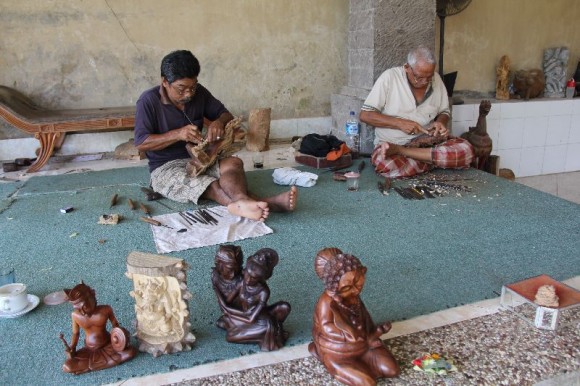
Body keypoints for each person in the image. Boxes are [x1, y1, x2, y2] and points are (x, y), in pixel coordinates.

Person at [134, 50, 297, 221]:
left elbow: (225, 114)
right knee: (207, 183)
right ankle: (264, 203)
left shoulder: (199, 93)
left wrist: (217, 122)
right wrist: (178, 134)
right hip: (165, 167)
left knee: (233, 163)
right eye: (181, 89)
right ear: (165, 82)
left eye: (193, 86)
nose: (189, 94)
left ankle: (242, 203)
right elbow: (141, 143)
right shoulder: (148, 101)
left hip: (202, 159)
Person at [359, 46, 474, 178]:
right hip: (392, 145)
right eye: (419, 77)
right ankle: (435, 160)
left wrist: (440, 122)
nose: (425, 82)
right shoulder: (389, 78)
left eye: (429, 77)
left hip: (426, 142)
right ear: (407, 67)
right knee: (384, 165)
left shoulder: (437, 80)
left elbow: (444, 111)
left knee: (467, 150)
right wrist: (399, 123)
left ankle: (414, 158)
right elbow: (365, 115)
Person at [309, 248, 399, 386]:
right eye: (347, 288)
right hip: (339, 353)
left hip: (365, 345)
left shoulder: (354, 297)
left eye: (358, 281)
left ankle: (366, 362)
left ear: (363, 271)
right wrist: (347, 334)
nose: (356, 290)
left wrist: (375, 332)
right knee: (367, 383)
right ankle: (327, 360)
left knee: (392, 370)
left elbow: (365, 319)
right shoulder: (326, 302)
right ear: (334, 288)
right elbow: (326, 325)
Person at [217, 248, 291, 351]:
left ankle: (269, 332)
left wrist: (229, 311)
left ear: (262, 278)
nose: (248, 279)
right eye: (247, 273)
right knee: (229, 333)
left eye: (254, 278)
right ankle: (271, 330)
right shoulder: (242, 282)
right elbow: (227, 303)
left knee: (230, 336)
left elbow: (250, 318)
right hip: (243, 316)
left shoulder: (263, 291)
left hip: (257, 319)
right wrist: (217, 291)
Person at [61, 282, 136, 374]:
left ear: (92, 299)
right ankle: (89, 367)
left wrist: (121, 337)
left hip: (108, 344)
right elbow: (76, 333)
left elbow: (115, 326)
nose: (82, 312)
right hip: (89, 350)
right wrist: (72, 347)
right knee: (67, 366)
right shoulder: (75, 315)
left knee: (130, 352)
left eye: (84, 307)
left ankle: (87, 368)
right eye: (78, 309)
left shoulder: (105, 310)